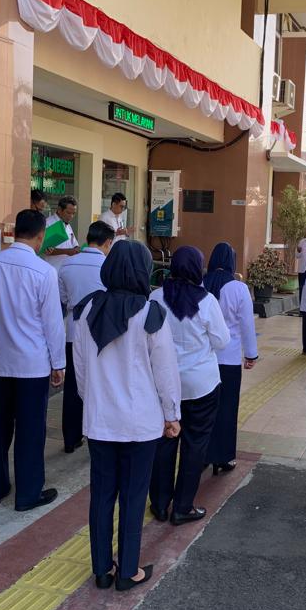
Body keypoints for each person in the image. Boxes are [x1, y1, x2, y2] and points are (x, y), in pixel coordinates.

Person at [72, 241, 181, 591]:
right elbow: (165, 372)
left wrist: (93, 402)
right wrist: (172, 414)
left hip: (100, 422)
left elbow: (80, 370)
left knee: (102, 495)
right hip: (140, 423)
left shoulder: (85, 311)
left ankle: (102, 569)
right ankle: (128, 570)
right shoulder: (150, 314)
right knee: (134, 497)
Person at [0, 209, 66, 512]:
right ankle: (28, 493)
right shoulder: (44, 271)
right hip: (32, 365)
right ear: (41, 236)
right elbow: (52, 323)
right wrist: (58, 363)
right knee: (30, 431)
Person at [149, 247, 230, 524]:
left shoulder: (155, 297)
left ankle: (160, 504)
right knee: (195, 446)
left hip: (163, 385)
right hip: (200, 385)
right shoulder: (207, 301)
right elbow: (222, 341)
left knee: (164, 443)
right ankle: (182, 507)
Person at [57, 221, 115, 453]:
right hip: (101, 332)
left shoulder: (67, 264)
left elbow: (62, 299)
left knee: (73, 383)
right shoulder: (108, 265)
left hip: (72, 330)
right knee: (99, 383)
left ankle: (71, 438)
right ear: (108, 242)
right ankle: (96, 435)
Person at [203, 242, 258, 475]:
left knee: (203, 409)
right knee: (227, 408)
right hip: (229, 358)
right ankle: (223, 457)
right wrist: (251, 354)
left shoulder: (201, 283)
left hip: (204, 359)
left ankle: (202, 454)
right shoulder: (238, 288)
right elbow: (247, 324)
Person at [43, 195, 81, 270]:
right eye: (68, 213)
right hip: (52, 269)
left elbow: (74, 244)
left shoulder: (68, 225)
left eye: (73, 213)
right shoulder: (48, 224)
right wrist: (67, 251)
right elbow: (45, 250)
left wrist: (77, 249)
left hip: (66, 270)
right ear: (59, 210)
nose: (71, 216)